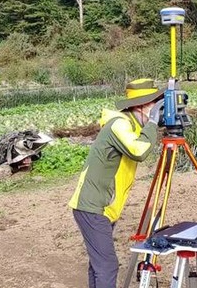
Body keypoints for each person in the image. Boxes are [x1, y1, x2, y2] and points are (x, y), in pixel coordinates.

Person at [68, 78, 165, 288]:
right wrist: (153, 122)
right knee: (108, 266)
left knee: (99, 265)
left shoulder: (131, 127)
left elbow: (141, 145)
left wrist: (152, 122)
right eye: (154, 105)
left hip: (102, 207)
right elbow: (139, 151)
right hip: (93, 207)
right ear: (138, 107)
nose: (158, 110)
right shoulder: (119, 124)